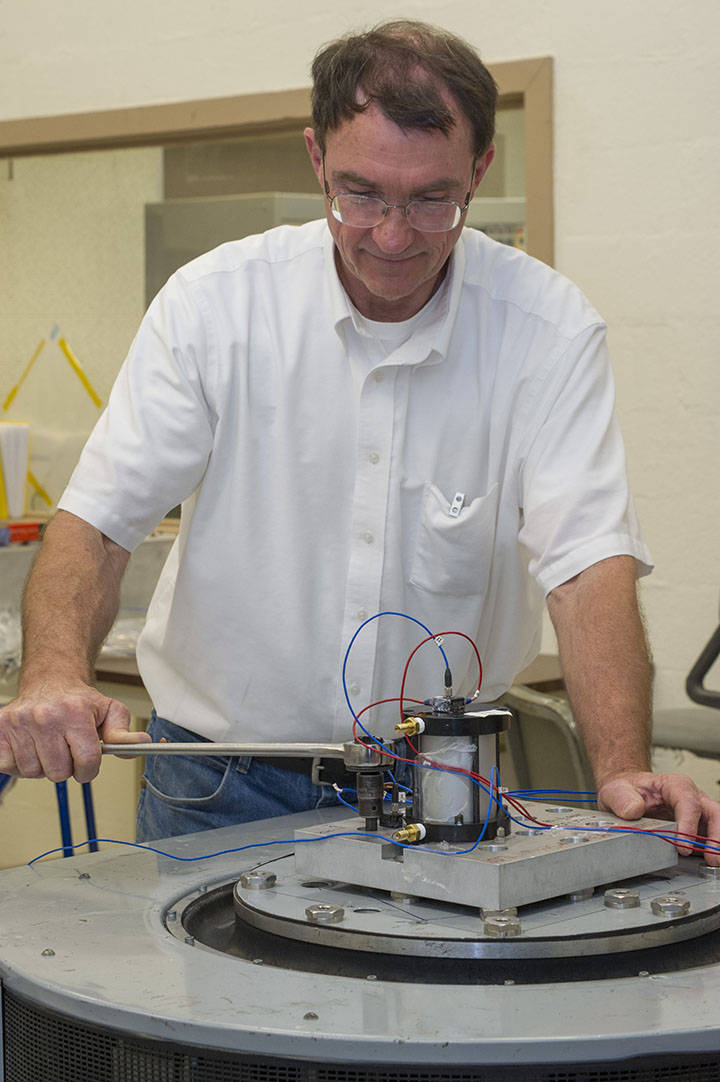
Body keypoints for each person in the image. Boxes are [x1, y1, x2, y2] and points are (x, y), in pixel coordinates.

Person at [1, 19, 719, 860]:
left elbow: (587, 565)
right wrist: (52, 673)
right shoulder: (216, 306)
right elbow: (99, 524)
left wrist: (623, 770)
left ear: (481, 170)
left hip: (450, 783)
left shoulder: (545, 330)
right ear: (315, 157)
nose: (391, 235)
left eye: (430, 200)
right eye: (362, 193)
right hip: (221, 784)